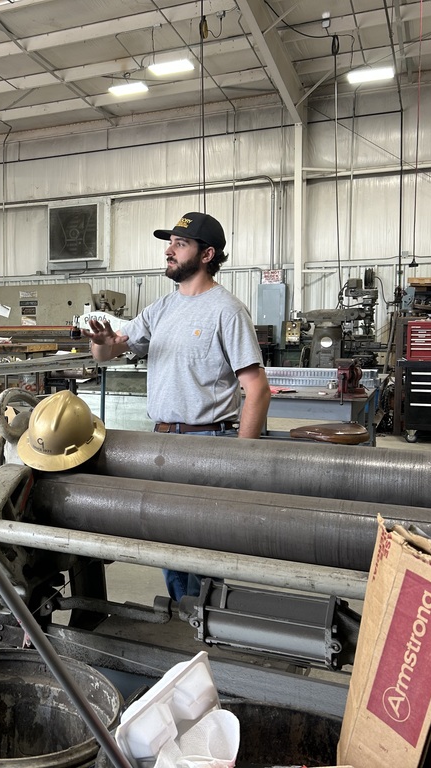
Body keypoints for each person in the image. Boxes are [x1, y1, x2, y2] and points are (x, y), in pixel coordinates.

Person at [84, 212, 271, 601]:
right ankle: (184, 622)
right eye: (169, 243)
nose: (169, 251)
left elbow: (256, 389)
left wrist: (242, 455)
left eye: (179, 244)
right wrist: (101, 339)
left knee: (203, 548)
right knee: (168, 543)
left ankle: (206, 624)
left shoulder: (227, 310)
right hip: (163, 443)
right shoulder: (162, 308)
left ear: (207, 254)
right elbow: (107, 353)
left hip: (207, 443)